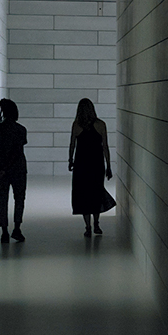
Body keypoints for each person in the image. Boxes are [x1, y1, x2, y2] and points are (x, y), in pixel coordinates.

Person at [68, 98, 117, 237]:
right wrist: (108, 166)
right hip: (96, 164)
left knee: (83, 194)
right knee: (96, 192)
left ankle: (87, 226)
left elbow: (72, 144)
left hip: (81, 165)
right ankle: (96, 223)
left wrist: (70, 160)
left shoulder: (76, 125)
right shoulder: (101, 124)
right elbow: (105, 147)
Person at [0, 98, 28, 244]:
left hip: (1, 172)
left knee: (2, 199)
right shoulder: (20, 130)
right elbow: (17, 152)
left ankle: (4, 231)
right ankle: (17, 228)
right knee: (19, 198)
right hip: (18, 169)